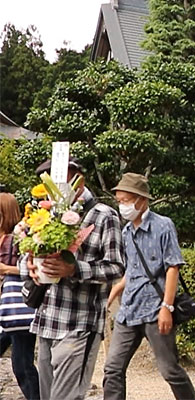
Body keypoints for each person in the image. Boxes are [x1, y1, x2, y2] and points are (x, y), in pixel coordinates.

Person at [20, 157, 125, 400]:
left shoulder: (103, 215)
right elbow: (23, 257)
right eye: (51, 181)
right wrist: (30, 267)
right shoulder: (44, 213)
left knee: (66, 397)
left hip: (79, 324)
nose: (57, 186)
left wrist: (74, 270)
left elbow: (117, 267)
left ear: (79, 179)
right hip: (46, 321)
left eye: (63, 179)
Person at [103, 173, 195, 400]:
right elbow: (133, 271)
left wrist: (167, 306)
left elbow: (172, 267)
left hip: (156, 309)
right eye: (119, 201)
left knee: (169, 370)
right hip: (129, 310)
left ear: (141, 200)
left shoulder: (163, 226)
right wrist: (115, 290)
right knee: (112, 368)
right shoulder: (126, 232)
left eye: (126, 200)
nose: (122, 206)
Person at [0, 193, 39, 400]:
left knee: (22, 365)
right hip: (5, 310)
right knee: (21, 365)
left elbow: (30, 269)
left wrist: (6, 268)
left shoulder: (17, 238)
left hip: (17, 307)